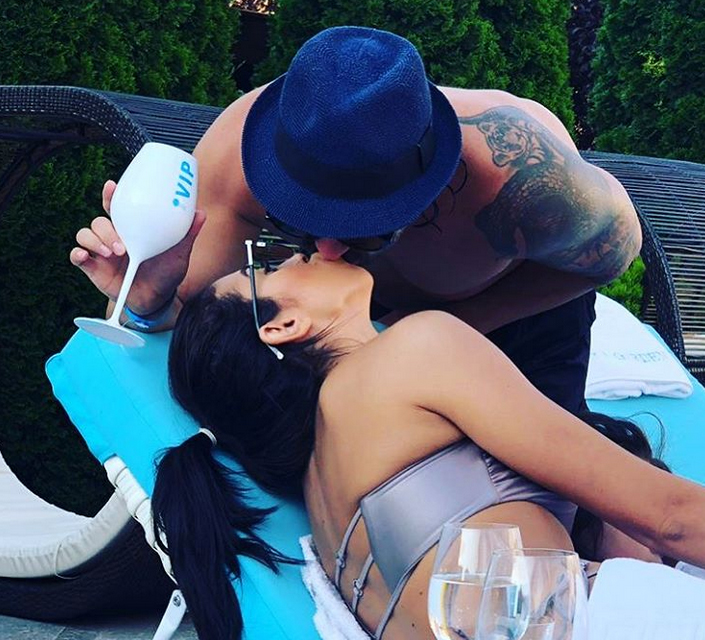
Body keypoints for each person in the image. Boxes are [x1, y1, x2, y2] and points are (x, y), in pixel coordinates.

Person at [150, 247, 705, 640]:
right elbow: (671, 518)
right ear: (282, 326)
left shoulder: (325, 486)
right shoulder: (411, 353)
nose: (300, 253)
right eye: (267, 267)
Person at [71, 26, 643, 416]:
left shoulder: (524, 181)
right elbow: (186, 318)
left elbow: (616, 253)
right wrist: (149, 299)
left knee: (541, 501)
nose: (327, 250)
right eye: (297, 220)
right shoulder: (239, 157)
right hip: (357, 335)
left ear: (436, 180)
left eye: (368, 227)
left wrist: (445, 327)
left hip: (509, 323)